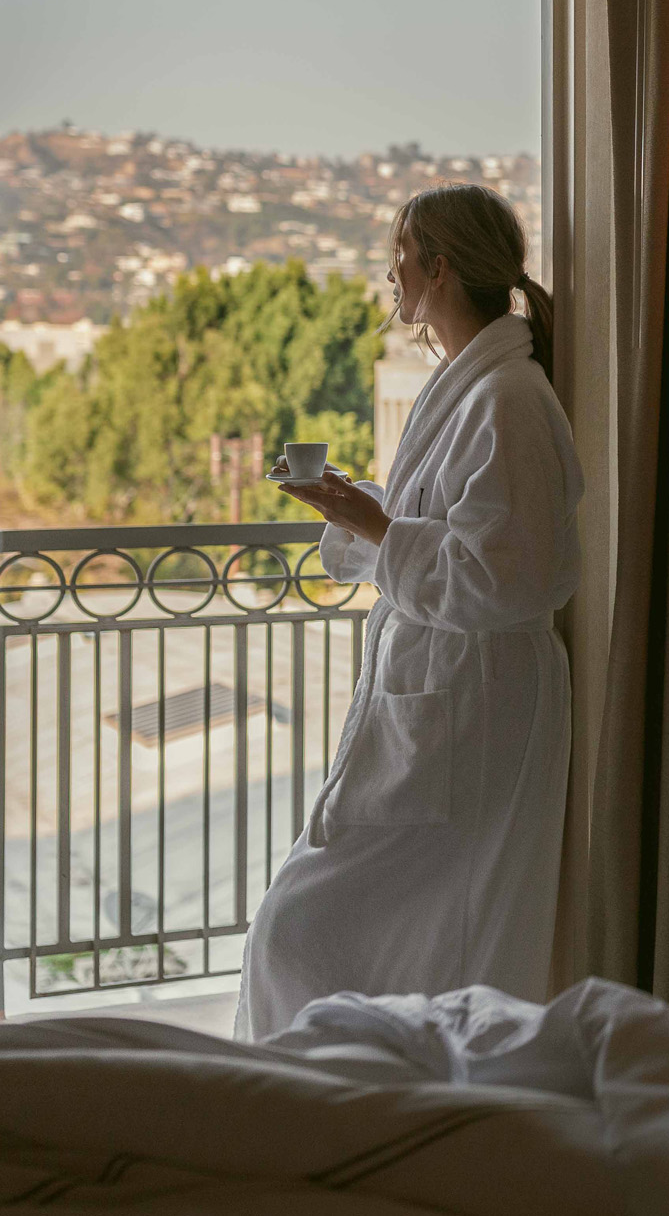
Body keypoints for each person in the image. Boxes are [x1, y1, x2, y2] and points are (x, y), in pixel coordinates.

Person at [235, 183, 584, 1040]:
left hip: (477, 710)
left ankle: (371, 1088)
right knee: (315, 935)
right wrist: (357, 513)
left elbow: (506, 576)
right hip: (445, 704)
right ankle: (347, 1086)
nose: (390, 271)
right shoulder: (470, 388)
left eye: (400, 252)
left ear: (439, 267)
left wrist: (374, 524)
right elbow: (446, 538)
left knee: (303, 930)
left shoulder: (508, 400)